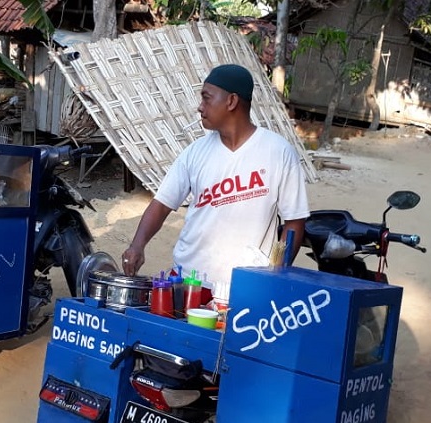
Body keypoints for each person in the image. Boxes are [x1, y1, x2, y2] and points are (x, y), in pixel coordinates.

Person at [121, 64, 309, 305]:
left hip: (247, 288)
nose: (200, 106)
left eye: (206, 98)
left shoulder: (279, 152)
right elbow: (162, 204)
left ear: (231, 101)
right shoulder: (195, 152)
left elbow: (294, 221)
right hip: (189, 281)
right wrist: (137, 246)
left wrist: (275, 276)